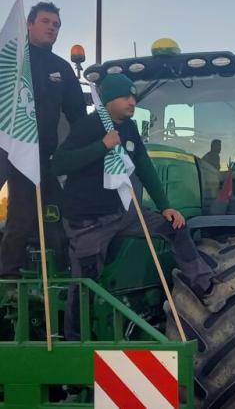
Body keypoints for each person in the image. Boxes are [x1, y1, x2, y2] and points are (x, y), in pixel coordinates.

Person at [51, 74, 218, 339]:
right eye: (126, 97)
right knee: (85, 283)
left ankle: (204, 286)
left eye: (134, 97)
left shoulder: (129, 128)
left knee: (175, 227)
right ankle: (74, 342)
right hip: (88, 220)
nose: (132, 102)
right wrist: (101, 146)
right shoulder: (89, 126)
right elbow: (59, 164)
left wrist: (166, 207)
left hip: (122, 213)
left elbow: (144, 166)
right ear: (108, 100)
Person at [0, 2, 87, 278]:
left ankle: (30, 275)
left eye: (57, 25)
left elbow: (78, 118)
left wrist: (90, 149)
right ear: (29, 24)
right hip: (4, 147)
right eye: (46, 22)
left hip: (40, 156)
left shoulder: (61, 69)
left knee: (47, 215)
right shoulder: (9, 61)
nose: (52, 27)